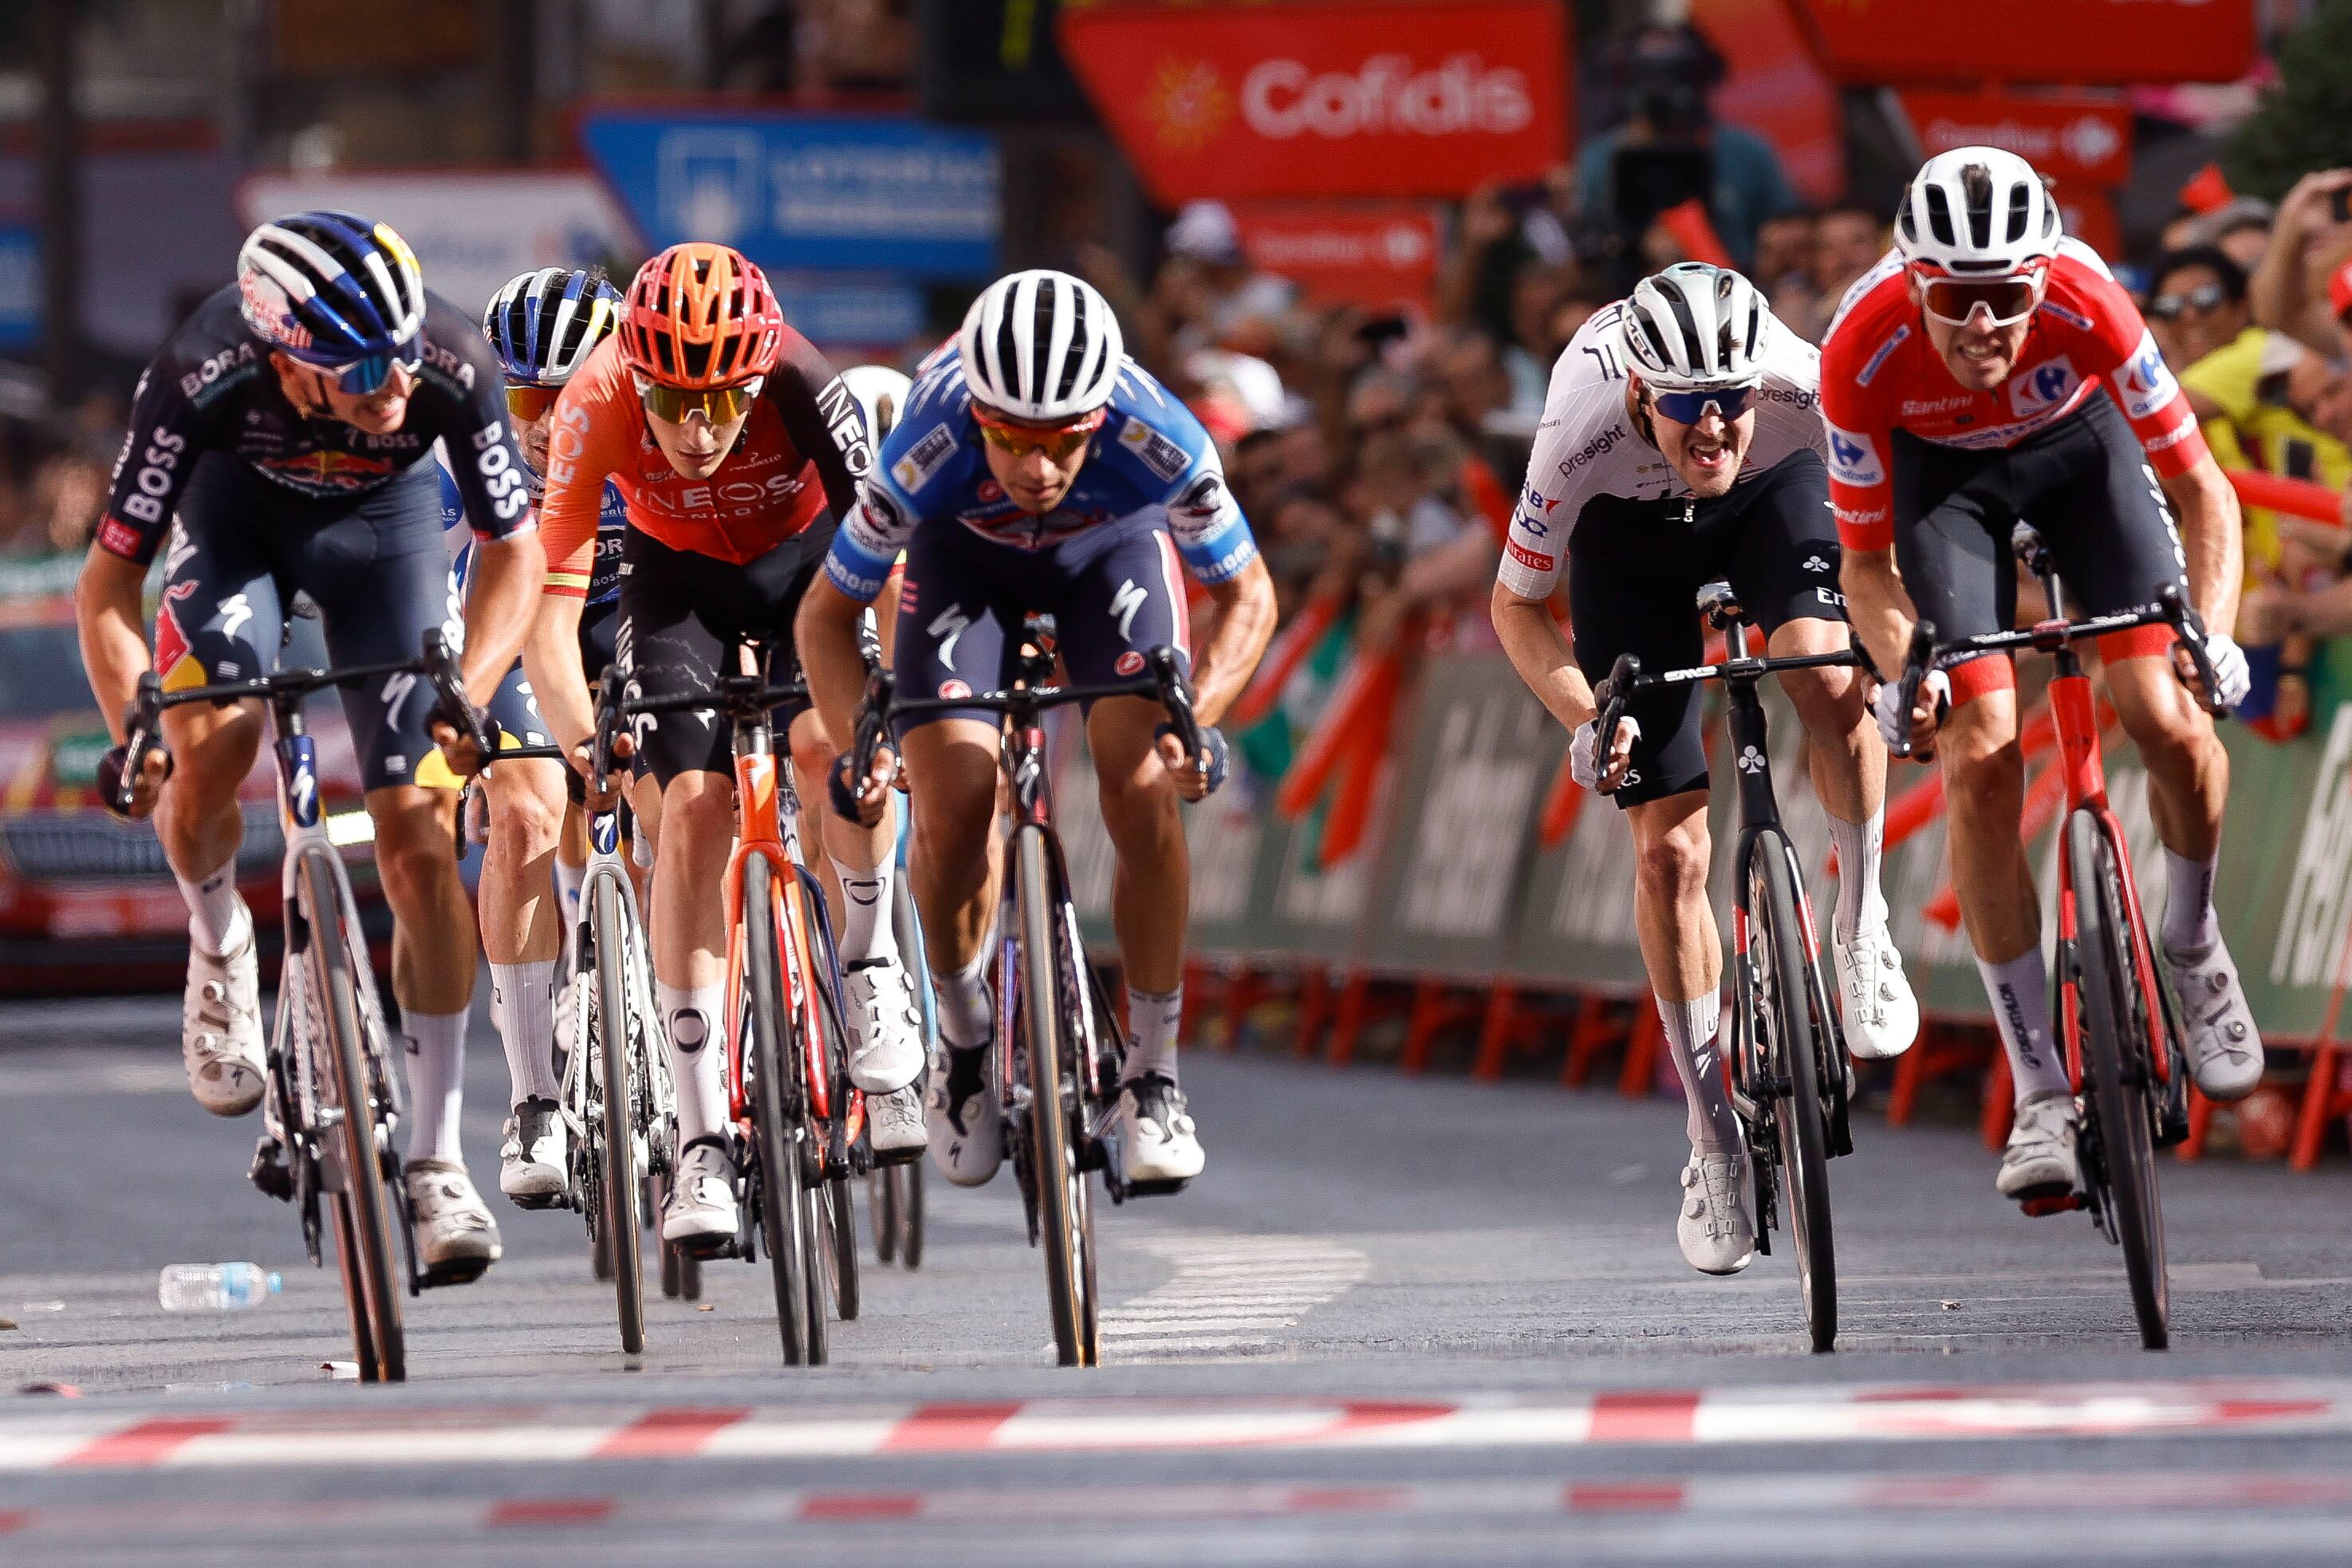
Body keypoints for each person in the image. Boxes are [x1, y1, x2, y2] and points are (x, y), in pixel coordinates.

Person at [74, 210, 542, 1281]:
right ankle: (219, 939)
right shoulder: (202, 370)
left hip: (390, 535)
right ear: (286, 355)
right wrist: (136, 723)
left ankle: (434, 1158)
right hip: (234, 525)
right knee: (213, 742)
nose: (395, 384)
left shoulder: (446, 361)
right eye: (363, 365)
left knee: (420, 837)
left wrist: (463, 692)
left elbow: (515, 553)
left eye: (404, 350)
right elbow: (107, 585)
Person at [1826, 148, 2259, 1208]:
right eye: (1955, 299)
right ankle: (2038, 1092)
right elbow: (1867, 566)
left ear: (2042, 278)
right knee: (1977, 756)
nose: (1983, 324)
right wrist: (1902, 668)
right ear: (1913, 283)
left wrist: (2212, 629)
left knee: (2162, 708)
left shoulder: (2090, 303)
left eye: (2006, 296)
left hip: (2081, 458)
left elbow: (2205, 494)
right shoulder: (1861, 349)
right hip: (1945, 492)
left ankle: (2193, 942)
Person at [800, 269, 1278, 1192]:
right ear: (977, 408)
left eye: (1063, 441)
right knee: (955, 800)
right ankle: (967, 1037)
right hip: (963, 569)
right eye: (1012, 439)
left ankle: (1154, 1077)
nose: (1037, 467)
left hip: (1109, 558)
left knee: (1139, 783)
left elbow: (1247, 593)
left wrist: (1198, 720)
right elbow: (826, 615)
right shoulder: (927, 441)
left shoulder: (1157, 432)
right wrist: (859, 738)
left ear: (1098, 414)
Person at [1489, 262, 1916, 1278]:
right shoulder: (1578, 417)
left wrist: (1902, 659)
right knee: (1670, 856)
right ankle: (1711, 1132)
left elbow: (1887, 531)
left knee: (1822, 667)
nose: (1715, 423)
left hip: (1774, 502)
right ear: (1640, 390)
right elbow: (1516, 606)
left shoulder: (1796, 383)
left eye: (1730, 399)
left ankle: (1861, 921)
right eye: (1688, 407)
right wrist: (1587, 718)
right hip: (1628, 549)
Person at [515, 242, 926, 1253]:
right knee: (692, 813)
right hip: (676, 588)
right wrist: (577, 739)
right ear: (636, 379)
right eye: (673, 404)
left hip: (810, 577)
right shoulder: (594, 400)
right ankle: (703, 1144)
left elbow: (896, 557)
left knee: (833, 747)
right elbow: (549, 601)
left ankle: (871, 969)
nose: (698, 431)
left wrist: (902, 703)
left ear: (757, 379)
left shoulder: (803, 377)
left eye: (724, 403)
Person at [450, 265, 656, 1205]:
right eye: (526, 394)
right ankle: (535, 1095)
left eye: (568, 393)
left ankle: (683, 1018)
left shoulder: (666, 434)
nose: (544, 419)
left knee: (679, 805)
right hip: (528, 622)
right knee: (529, 811)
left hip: (639, 622)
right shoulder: (468, 457)